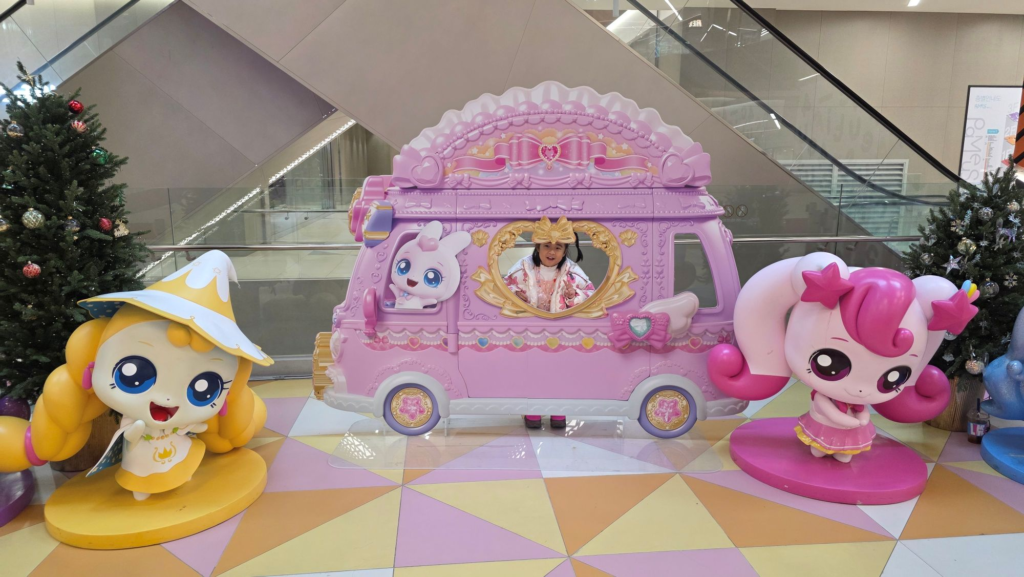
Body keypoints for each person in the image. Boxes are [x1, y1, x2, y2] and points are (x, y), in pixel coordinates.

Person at [503, 216, 595, 429]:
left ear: (565, 251)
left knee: (560, 370)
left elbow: (590, 294)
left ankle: (558, 410)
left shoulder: (572, 270)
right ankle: (532, 411)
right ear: (537, 246)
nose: (551, 252)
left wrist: (572, 296)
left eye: (558, 247)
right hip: (529, 328)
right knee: (531, 370)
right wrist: (518, 296)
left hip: (560, 328)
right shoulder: (523, 267)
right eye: (547, 246)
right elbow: (505, 288)